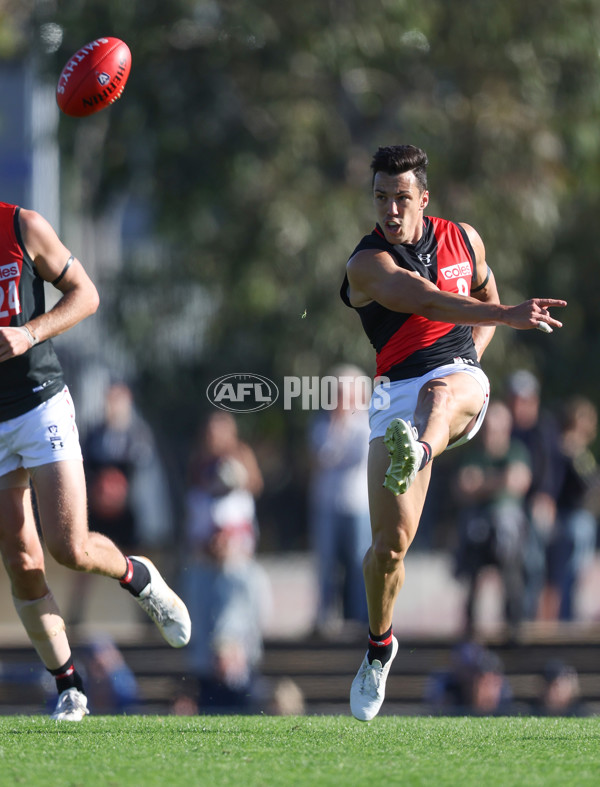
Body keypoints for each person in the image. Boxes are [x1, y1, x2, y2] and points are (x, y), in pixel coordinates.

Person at [340, 144, 566, 721]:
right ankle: (380, 644)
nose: (391, 210)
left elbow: (484, 290)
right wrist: (504, 316)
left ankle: (416, 449)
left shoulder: (464, 237)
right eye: (381, 198)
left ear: (424, 198)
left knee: (443, 393)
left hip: (458, 383)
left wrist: (475, 356)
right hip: (396, 393)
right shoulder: (365, 263)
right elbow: (422, 298)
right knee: (387, 551)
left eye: (402, 198)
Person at [0, 201, 191, 722]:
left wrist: (30, 332)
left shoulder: (22, 225)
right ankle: (69, 686)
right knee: (21, 560)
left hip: (40, 402)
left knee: (71, 548)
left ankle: (138, 576)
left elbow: (87, 296)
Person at [182, 412, 270, 712]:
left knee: (236, 635)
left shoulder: (241, 488)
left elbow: (244, 535)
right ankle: (207, 696)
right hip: (205, 571)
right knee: (203, 640)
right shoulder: (198, 489)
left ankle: (243, 695)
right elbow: (195, 534)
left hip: (235, 571)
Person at [453, 400, 531, 638]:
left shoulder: (516, 450)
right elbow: (462, 487)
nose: (491, 434)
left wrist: (482, 484)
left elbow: (519, 483)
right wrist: (500, 481)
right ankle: (470, 627)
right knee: (474, 540)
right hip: (478, 525)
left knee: (507, 541)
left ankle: (513, 625)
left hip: (507, 528)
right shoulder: (473, 454)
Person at [308, 365, 371, 631]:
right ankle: (325, 617)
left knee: (360, 563)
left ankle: (360, 619)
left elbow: (356, 457)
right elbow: (324, 456)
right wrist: (338, 426)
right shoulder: (322, 424)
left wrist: (341, 430)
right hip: (327, 504)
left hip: (358, 505)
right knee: (326, 563)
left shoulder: (368, 422)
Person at [505, 369, 563, 620]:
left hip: (534, 505)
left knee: (534, 561)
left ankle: (529, 620)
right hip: (508, 505)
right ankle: (513, 620)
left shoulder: (544, 428)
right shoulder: (502, 428)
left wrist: (546, 498)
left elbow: (552, 470)